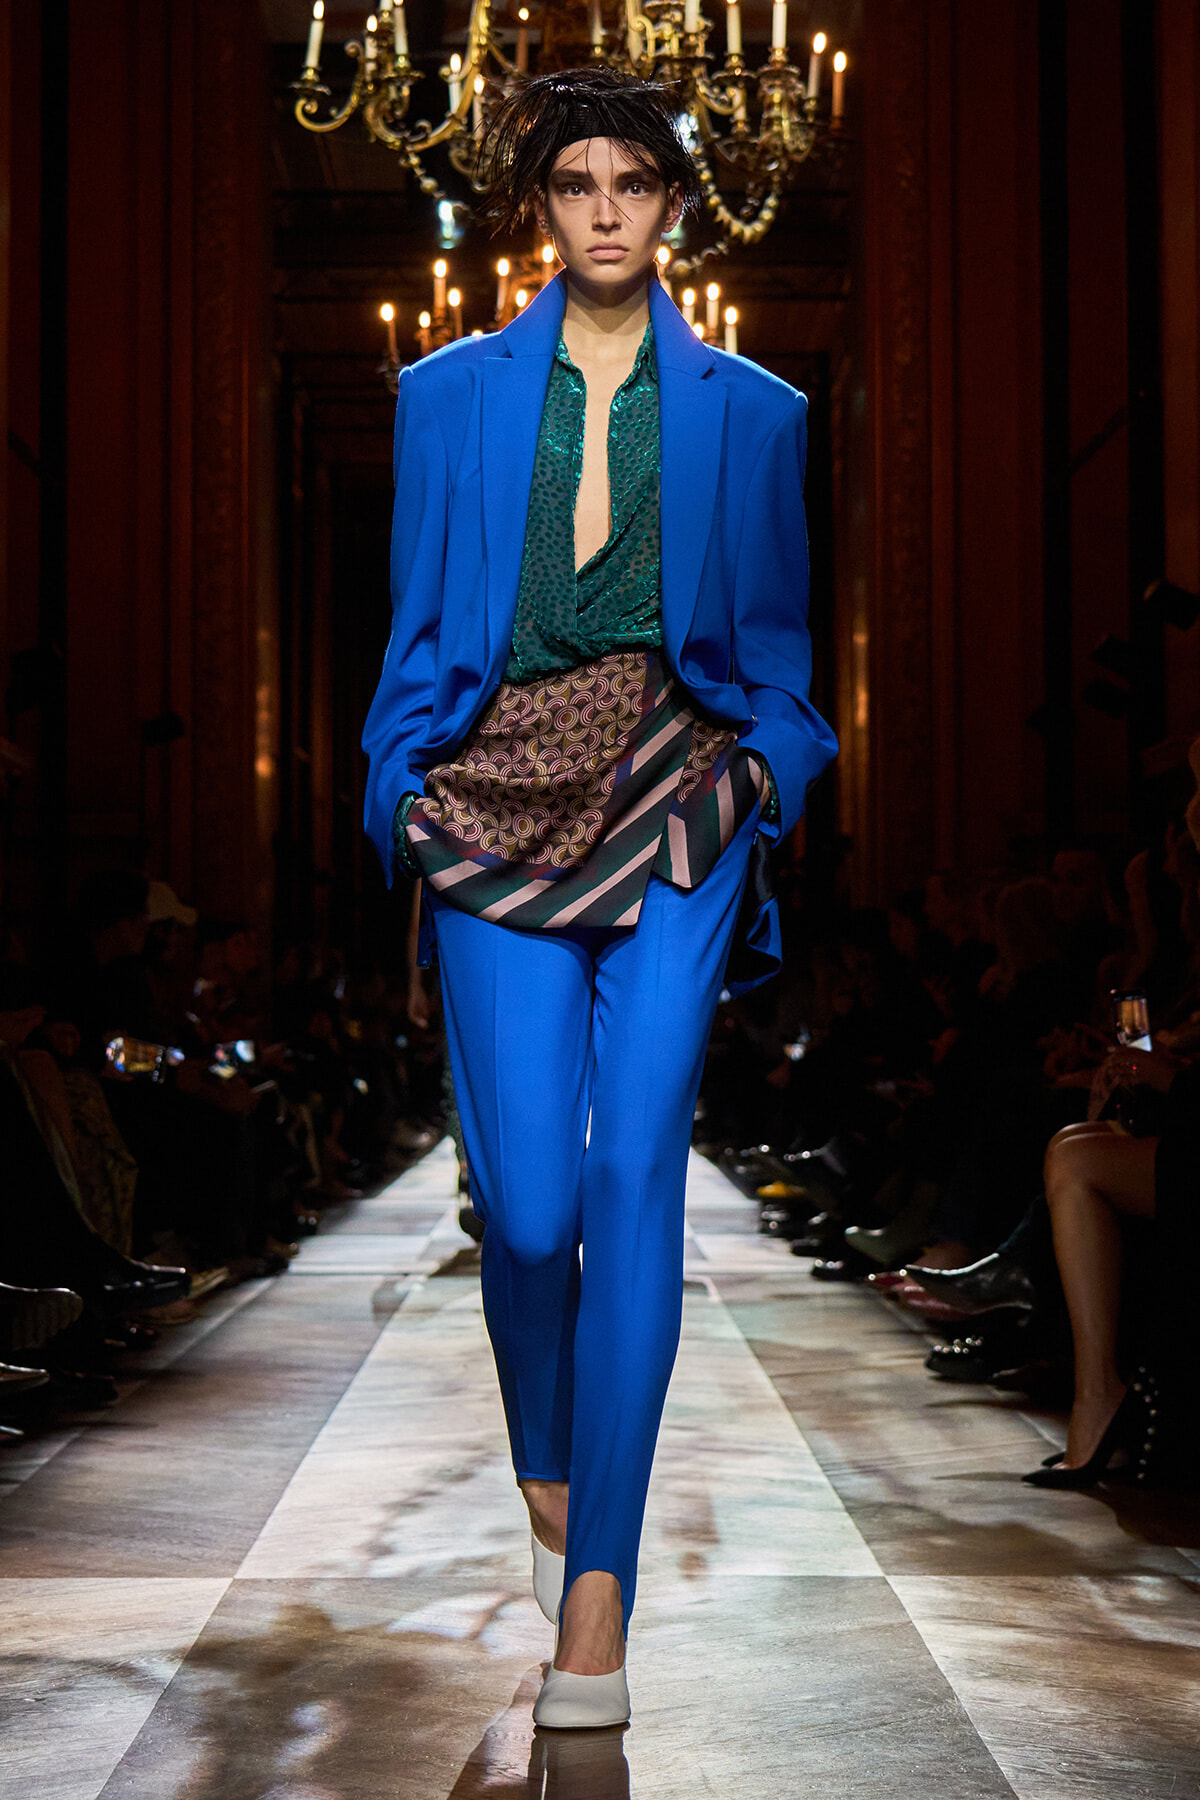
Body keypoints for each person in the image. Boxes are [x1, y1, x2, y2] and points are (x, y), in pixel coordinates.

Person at [362, 68, 836, 1729]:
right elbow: (418, 637)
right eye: (578, 182)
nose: (610, 208)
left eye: (636, 180)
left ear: (675, 203)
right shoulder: (446, 399)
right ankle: (552, 1452)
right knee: (532, 1208)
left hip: (673, 786)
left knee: (634, 1168)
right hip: (490, 792)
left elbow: (779, 659)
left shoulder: (756, 413)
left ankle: (599, 1600)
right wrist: (400, 799)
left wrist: (765, 772)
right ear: (543, 209)